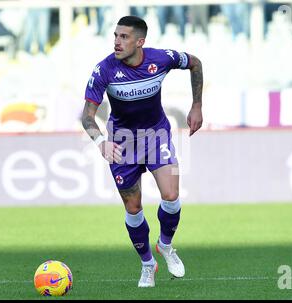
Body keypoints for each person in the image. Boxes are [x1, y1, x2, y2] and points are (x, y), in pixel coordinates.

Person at [81, 16, 203, 287]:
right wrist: (101, 141)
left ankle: (166, 246)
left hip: (156, 135)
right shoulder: (104, 70)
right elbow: (87, 116)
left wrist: (197, 106)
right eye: (115, 35)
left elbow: (195, 63)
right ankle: (148, 264)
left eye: (124, 37)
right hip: (122, 144)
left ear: (140, 42)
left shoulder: (161, 59)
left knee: (171, 196)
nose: (116, 41)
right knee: (133, 207)